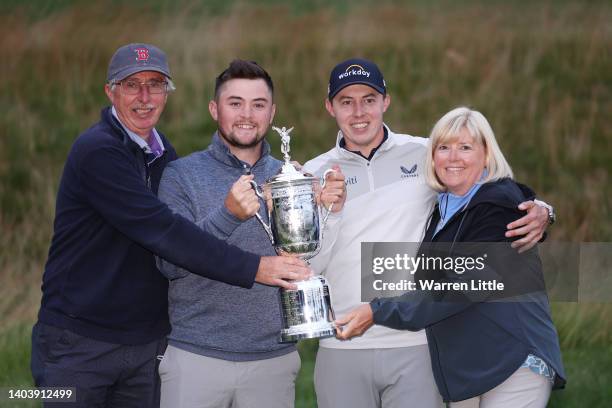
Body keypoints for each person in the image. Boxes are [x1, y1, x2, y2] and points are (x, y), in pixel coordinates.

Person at [30, 44, 310, 408]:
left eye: (156, 85)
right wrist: (257, 267)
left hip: (146, 344)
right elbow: (167, 235)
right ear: (110, 91)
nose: (144, 97)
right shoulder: (98, 152)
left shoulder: (164, 157)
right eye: (132, 85)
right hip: (78, 342)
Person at [303, 58, 554, 408]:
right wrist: (329, 213)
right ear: (330, 107)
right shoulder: (312, 174)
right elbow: (306, 266)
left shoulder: (428, 153)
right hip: (343, 341)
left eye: (369, 100)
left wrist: (541, 209)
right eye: (346, 101)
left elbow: (494, 185)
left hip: (418, 341)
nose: (359, 112)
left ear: (385, 102)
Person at [155, 59, 345, 408]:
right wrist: (227, 215)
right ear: (215, 109)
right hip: (197, 358)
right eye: (235, 103)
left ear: (272, 113)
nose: (247, 114)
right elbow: (169, 265)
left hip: (272, 361)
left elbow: (308, 263)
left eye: (258, 105)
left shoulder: (292, 177)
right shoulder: (180, 176)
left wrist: (326, 211)